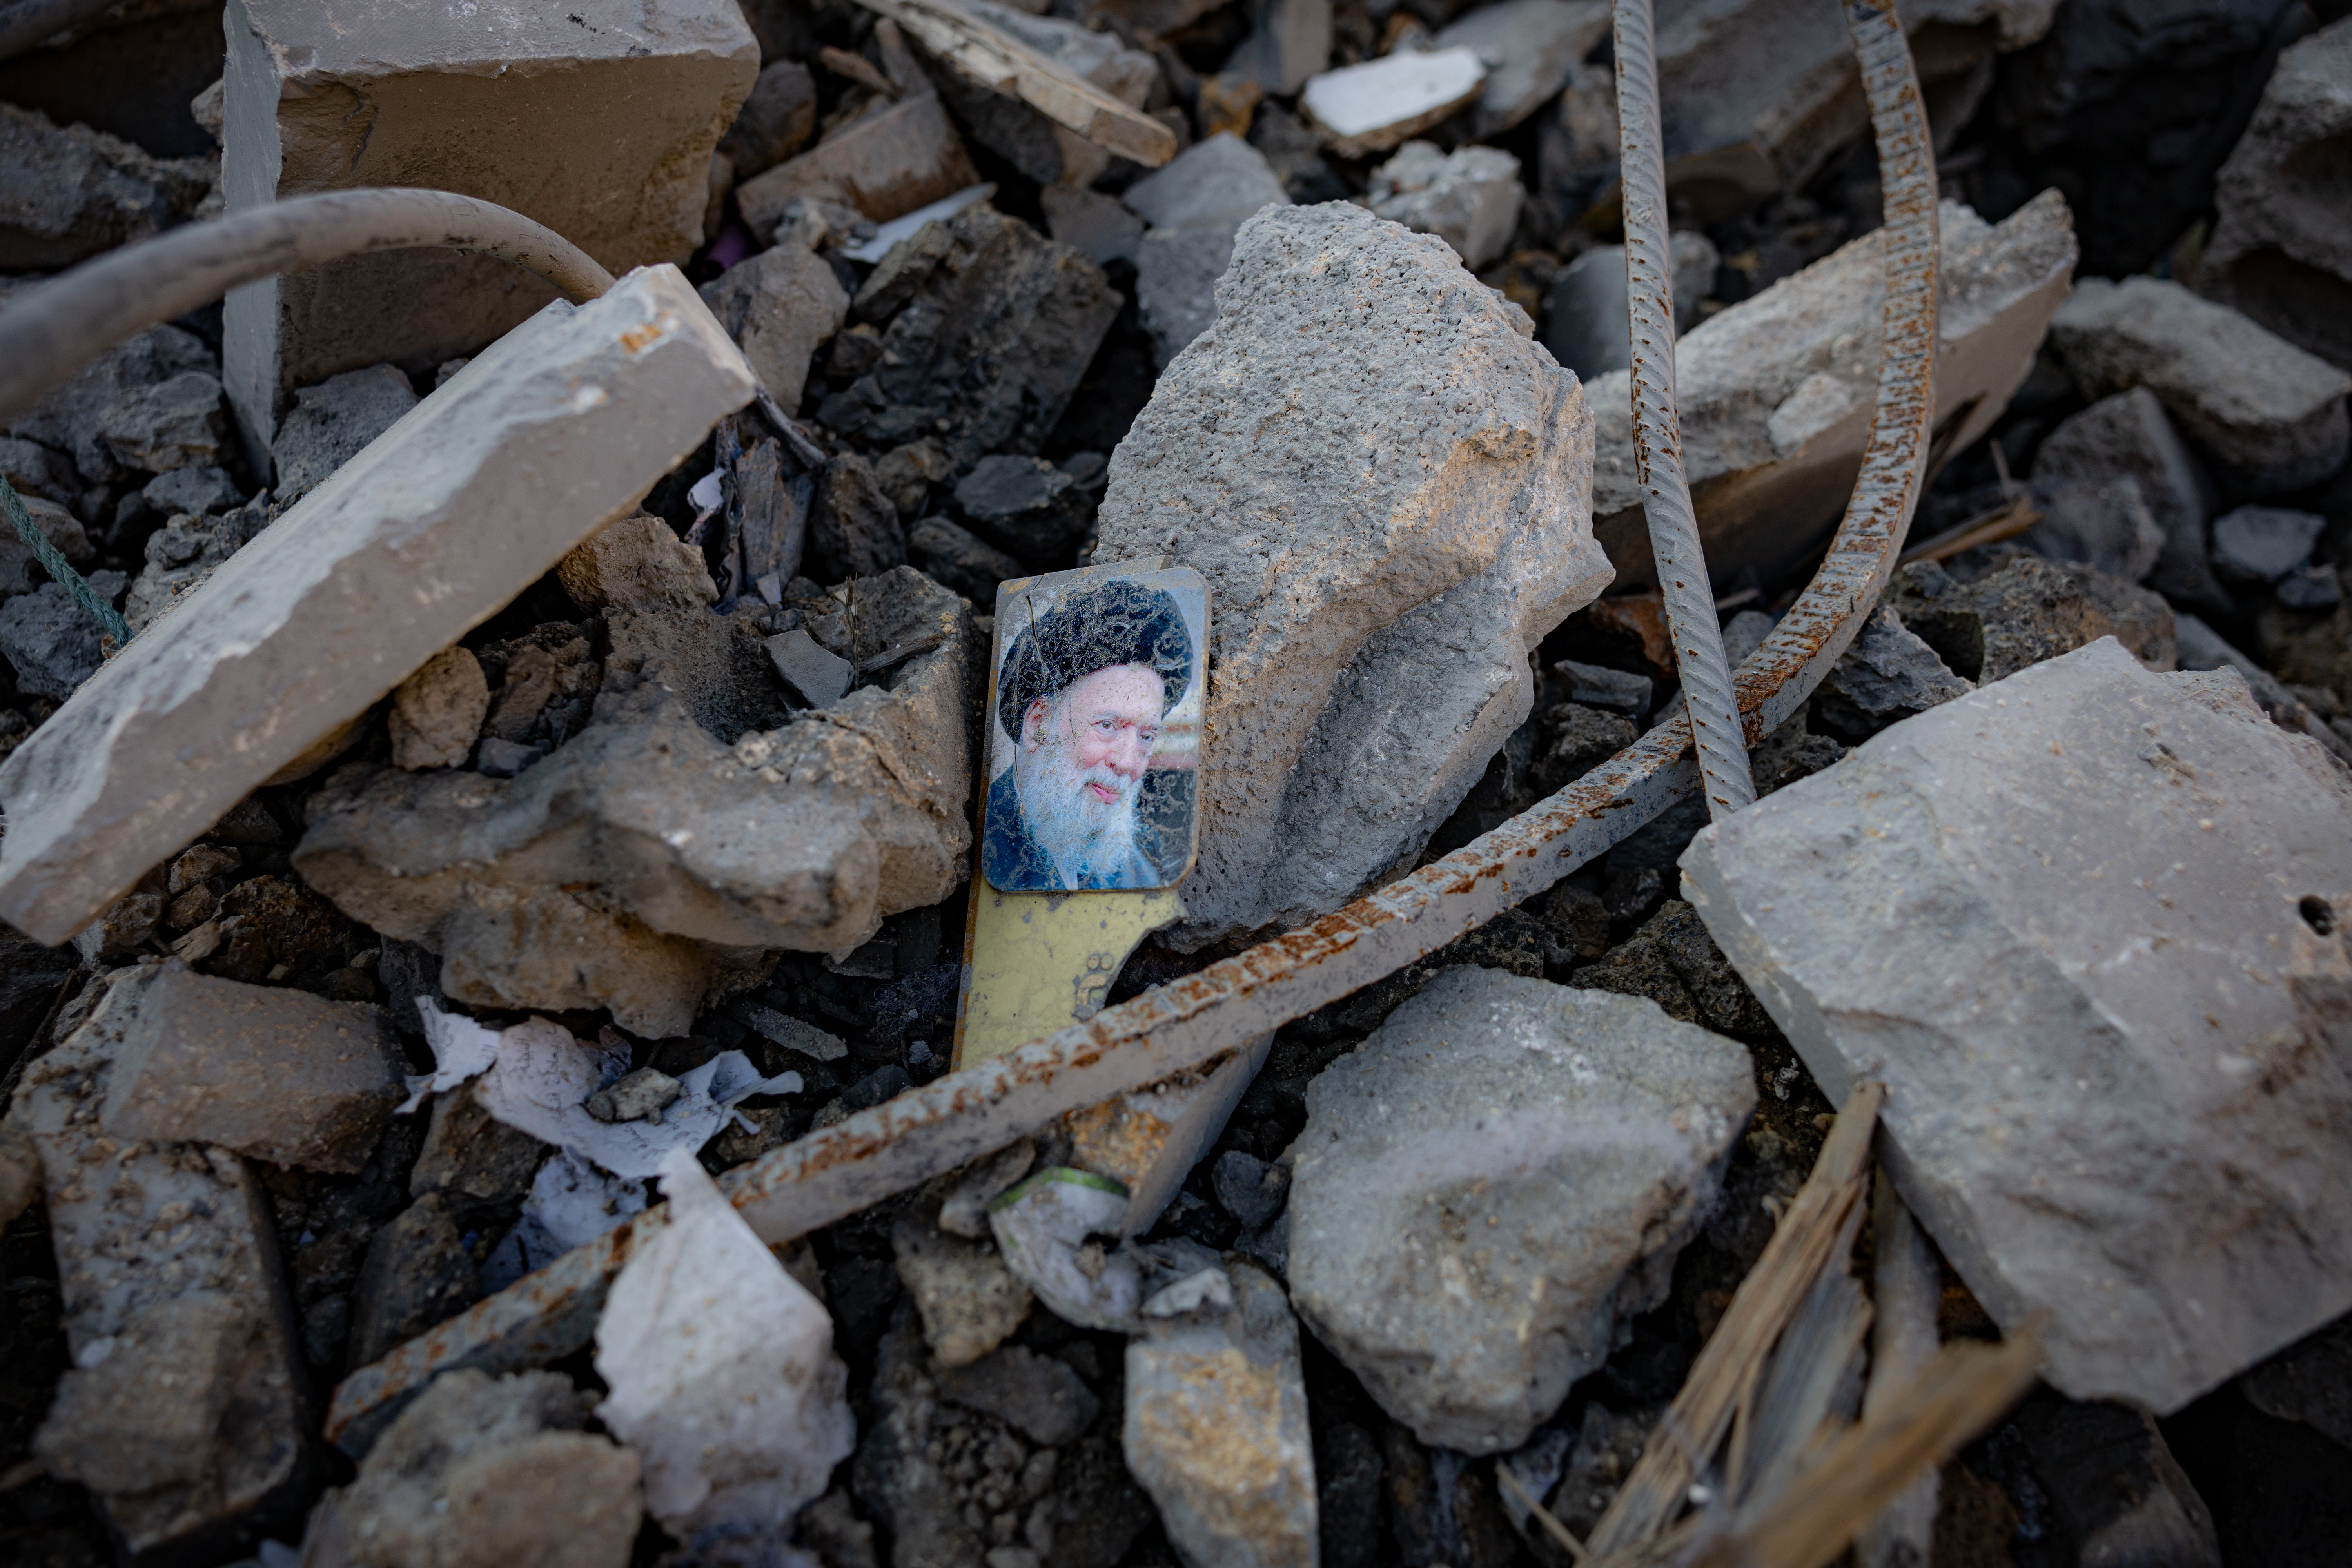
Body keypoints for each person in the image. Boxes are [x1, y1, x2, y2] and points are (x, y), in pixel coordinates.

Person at [984, 578, 1194, 891]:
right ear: (1039, 725)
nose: (1128, 763)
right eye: (1107, 726)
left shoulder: (1136, 871)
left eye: (1147, 737)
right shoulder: (983, 847)